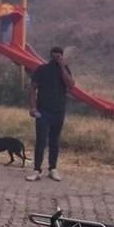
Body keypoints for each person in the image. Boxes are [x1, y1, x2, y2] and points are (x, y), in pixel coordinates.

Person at [26, 46, 75, 182]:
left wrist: (62, 67)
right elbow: (32, 89)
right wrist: (33, 108)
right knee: (41, 141)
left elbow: (71, 84)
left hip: (58, 111)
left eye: (58, 56)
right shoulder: (42, 69)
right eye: (54, 56)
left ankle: (53, 169)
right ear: (50, 55)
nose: (56, 58)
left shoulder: (64, 70)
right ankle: (37, 170)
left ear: (62, 56)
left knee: (54, 141)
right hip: (43, 111)